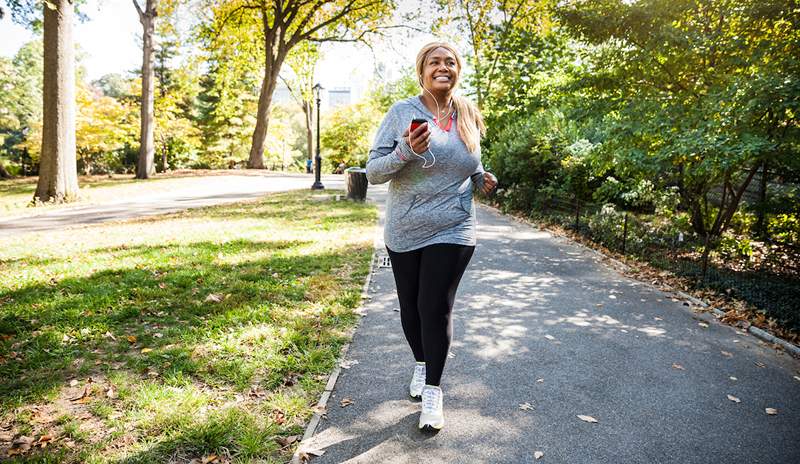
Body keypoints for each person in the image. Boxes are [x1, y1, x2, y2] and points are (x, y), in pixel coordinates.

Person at [365, 41, 498, 432]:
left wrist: (480, 177)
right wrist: (405, 151)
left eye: (450, 62)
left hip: (455, 226)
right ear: (422, 70)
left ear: (458, 70)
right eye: (435, 62)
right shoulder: (403, 112)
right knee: (411, 308)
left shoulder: (468, 113)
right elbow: (373, 171)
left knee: (436, 306)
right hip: (405, 227)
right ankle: (421, 365)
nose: (444, 67)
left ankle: (435, 392)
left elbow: (470, 160)